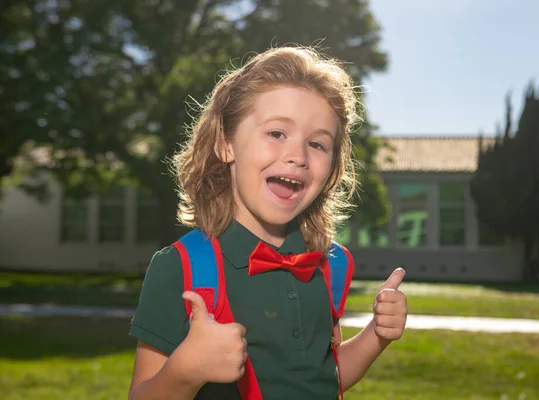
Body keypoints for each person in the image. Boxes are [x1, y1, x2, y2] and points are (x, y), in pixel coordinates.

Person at [128, 46, 408, 400]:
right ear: (225, 144)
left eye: (318, 144)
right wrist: (186, 371)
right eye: (277, 133)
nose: (298, 156)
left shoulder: (328, 266)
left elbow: (322, 378)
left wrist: (376, 335)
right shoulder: (179, 268)